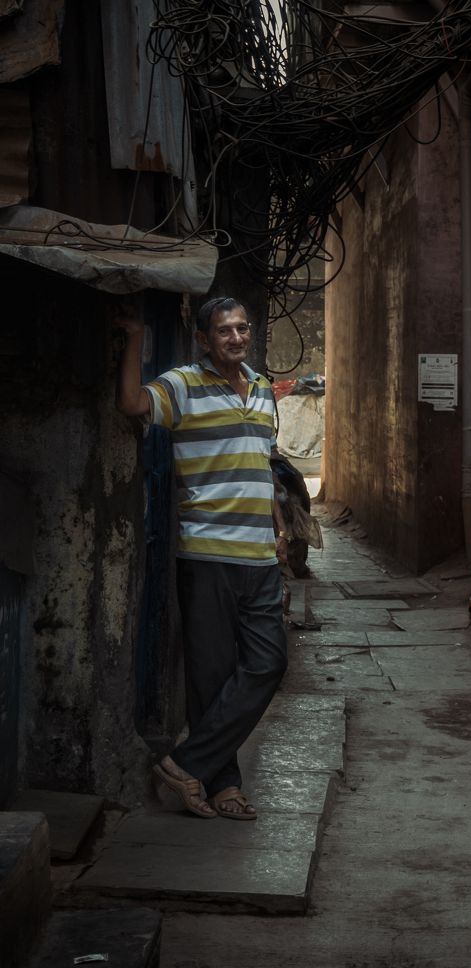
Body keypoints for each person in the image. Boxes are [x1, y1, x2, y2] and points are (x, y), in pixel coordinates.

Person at [116, 296, 289, 820]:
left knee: (267, 663)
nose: (236, 338)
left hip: (259, 556)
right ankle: (224, 785)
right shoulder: (183, 386)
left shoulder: (261, 390)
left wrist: (279, 526)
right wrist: (137, 341)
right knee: (211, 677)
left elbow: (263, 464)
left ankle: (184, 764)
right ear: (204, 338)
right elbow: (131, 404)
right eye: (224, 331)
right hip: (208, 553)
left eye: (242, 328)